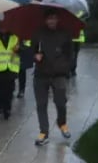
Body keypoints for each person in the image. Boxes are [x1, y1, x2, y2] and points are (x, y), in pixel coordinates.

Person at [32, 9, 74, 146]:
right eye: (49, 18)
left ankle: (62, 123)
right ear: (45, 20)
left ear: (58, 19)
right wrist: (35, 56)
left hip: (59, 75)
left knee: (61, 102)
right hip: (41, 74)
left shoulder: (64, 34)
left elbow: (70, 54)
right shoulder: (38, 33)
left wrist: (66, 68)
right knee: (41, 104)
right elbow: (31, 50)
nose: (52, 21)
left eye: (54, 18)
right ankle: (44, 132)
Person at [0, 22, 20, 120]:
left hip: (11, 67)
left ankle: (7, 108)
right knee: (0, 90)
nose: (3, 28)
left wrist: (19, 48)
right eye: (1, 25)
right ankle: (2, 105)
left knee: (9, 89)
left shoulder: (15, 37)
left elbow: (24, 47)